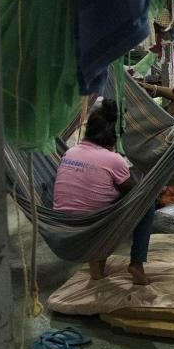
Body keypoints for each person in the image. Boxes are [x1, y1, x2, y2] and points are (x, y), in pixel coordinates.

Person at [53, 100, 149, 285]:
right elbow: (136, 195)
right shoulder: (114, 160)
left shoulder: (70, 152)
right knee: (145, 203)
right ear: (115, 136)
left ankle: (96, 270)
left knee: (99, 200)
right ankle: (137, 263)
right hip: (95, 227)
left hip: (62, 225)